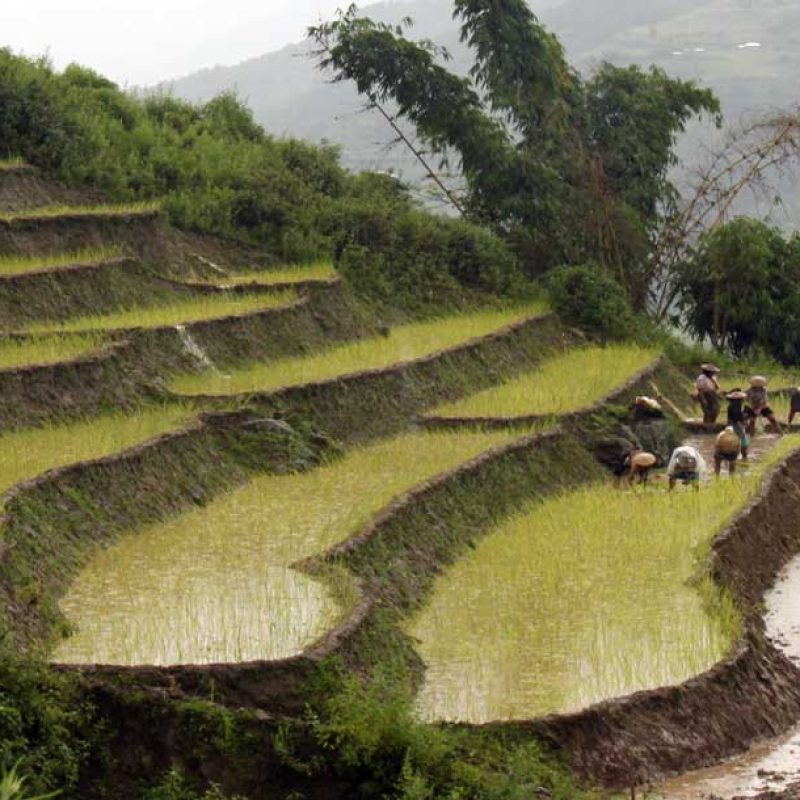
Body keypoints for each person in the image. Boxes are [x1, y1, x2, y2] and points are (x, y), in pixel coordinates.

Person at [726, 389, 750, 461]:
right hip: (737, 425)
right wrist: (742, 426)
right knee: (743, 441)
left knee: (735, 441)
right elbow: (736, 419)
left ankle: (738, 457)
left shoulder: (732, 406)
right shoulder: (736, 407)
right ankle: (744, 457)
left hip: (732, 425)